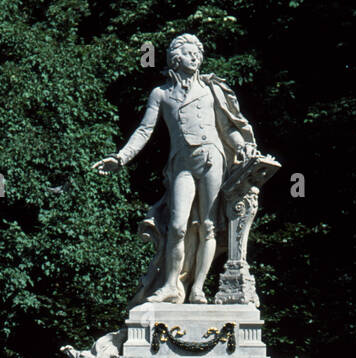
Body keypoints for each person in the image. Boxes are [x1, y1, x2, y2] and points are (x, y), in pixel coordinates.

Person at [92, 34, 257, 304]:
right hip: (181, 163)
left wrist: (242, 147)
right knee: (178, 226)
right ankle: (170, 285)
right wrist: (121, 158)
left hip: (211, 158)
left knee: (208, 226)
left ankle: (198, 289)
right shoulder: (161, 94)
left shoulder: (210, 89)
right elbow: (144, 130)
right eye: (190, 53)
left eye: (198, 54)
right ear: (175, 58)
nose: (196, 58)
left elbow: (228, 128)